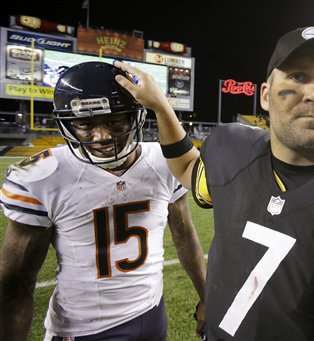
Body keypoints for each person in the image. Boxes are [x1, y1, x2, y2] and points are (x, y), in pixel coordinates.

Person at [115, 26, 314, 341]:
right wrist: (160, 105)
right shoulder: (231, 149)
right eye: (298, 76)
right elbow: (187, 168)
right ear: (266, 96)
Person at [0, 62, 206, 341]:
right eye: (85, 124)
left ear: (135, 116)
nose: (102, 136)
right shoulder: (42, 176)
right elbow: (15, 286)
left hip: (152, 314)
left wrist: (207, 296)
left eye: (114, 121)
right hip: (82, 329)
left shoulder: (163, 161)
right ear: (68, 123)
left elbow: (185, 237)